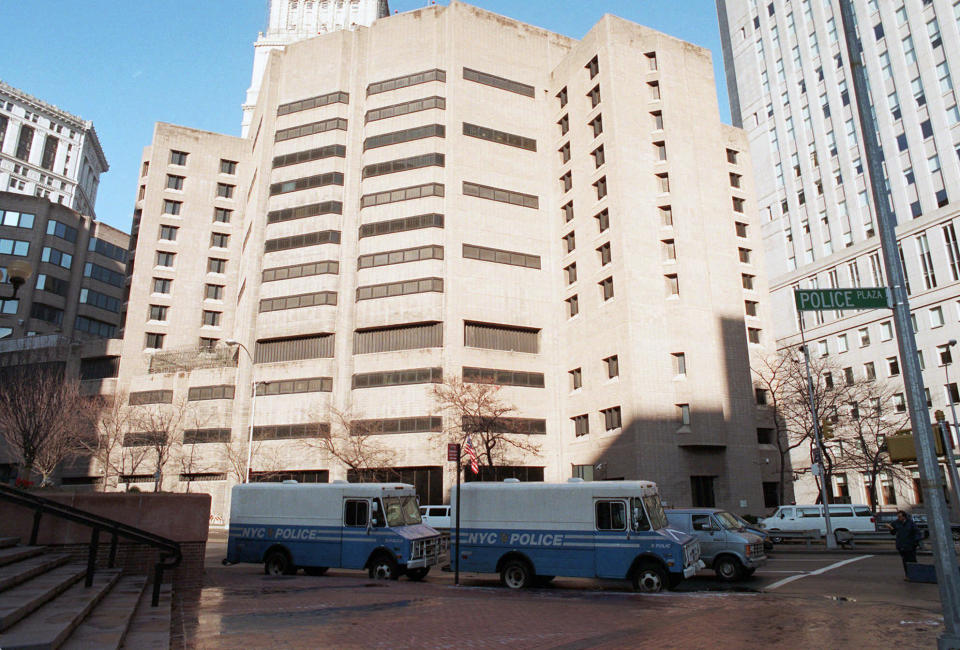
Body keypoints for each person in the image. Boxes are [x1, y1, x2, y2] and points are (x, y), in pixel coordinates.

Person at [887, 510, 922, 578]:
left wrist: (916, 542)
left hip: (910, 545)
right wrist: (890, 528)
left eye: (900, 516)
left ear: (904, 517)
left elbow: (917, 532)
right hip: (901, 545)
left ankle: (915, 574)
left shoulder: (910, 523)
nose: (899, 518)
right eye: (898, 517)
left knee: (912, 560)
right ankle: (908, 574)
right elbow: (893, 532)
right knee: (905, 560)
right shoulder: (896, 523)